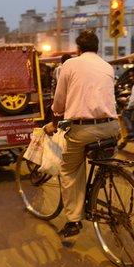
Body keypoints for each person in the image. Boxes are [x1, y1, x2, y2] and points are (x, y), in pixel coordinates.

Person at [45, 30, 119, 238]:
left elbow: (59, 103)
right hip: (112, 127)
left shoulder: (69, 65)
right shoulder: (107, 66)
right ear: (97, 48)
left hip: (83, 129)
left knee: (69, 170)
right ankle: (98, 183)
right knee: (101, 156)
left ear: (78, 49)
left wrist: (53, 123)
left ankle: (74, 220)